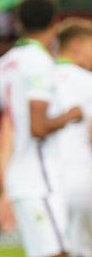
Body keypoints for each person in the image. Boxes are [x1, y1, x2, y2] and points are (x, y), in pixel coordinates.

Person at [0, 0, 81, 257]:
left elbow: (11, 120)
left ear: (18, 23)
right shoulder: (40, 62)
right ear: (54, 24)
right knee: (59, 252)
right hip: (40, 180)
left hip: (21, 175)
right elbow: (38, 127)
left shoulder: (3, 63)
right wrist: (72, 114)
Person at [46, 19, 92, 257]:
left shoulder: (39, 78)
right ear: (76, 45)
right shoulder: (87, 81)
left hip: (45, 182)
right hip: (83, 179)